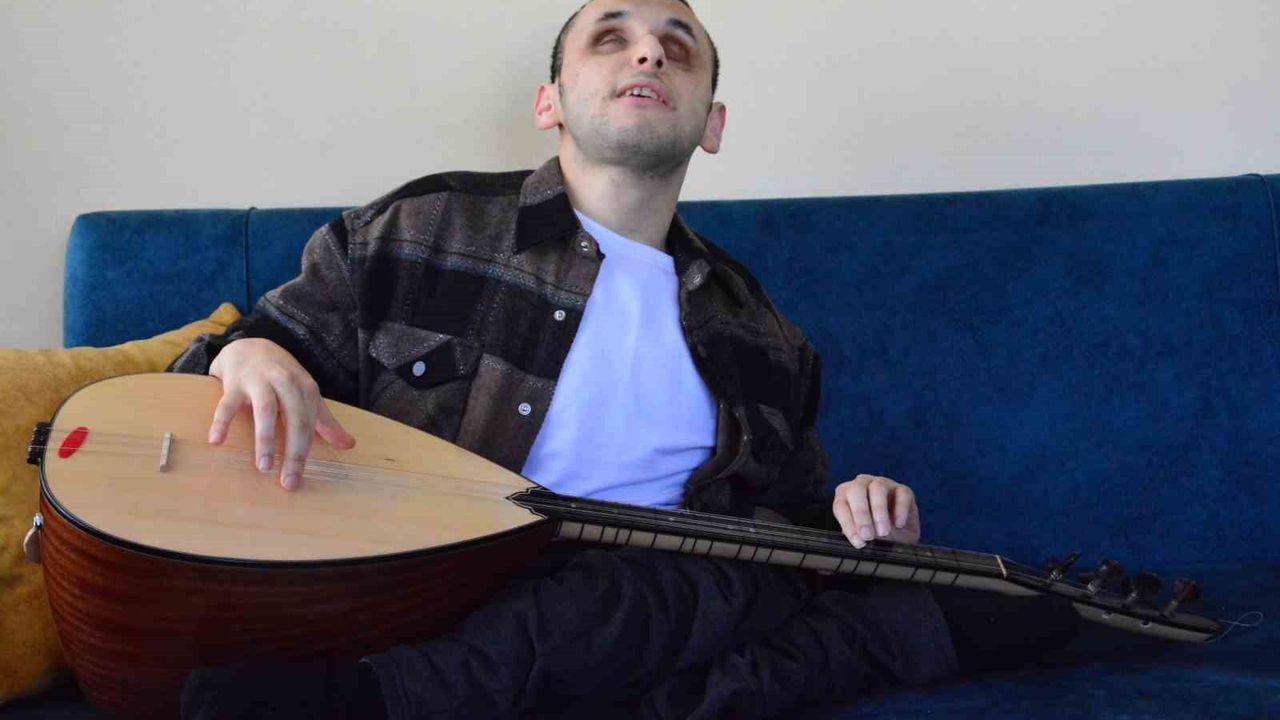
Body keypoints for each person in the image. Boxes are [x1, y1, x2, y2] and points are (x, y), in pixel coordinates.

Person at [172, 1, 1080, 718]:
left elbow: (797, 536)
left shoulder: (762, 330)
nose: (648, 53)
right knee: (713, 625)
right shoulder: (418, 231)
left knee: (710, 586)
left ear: (711, 124)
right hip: (429, 589)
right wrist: (248, 353)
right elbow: (218, 371)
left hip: (653, 605)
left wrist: (863, 511)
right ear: (549, 103)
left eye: (677, 48)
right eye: (612, 38)